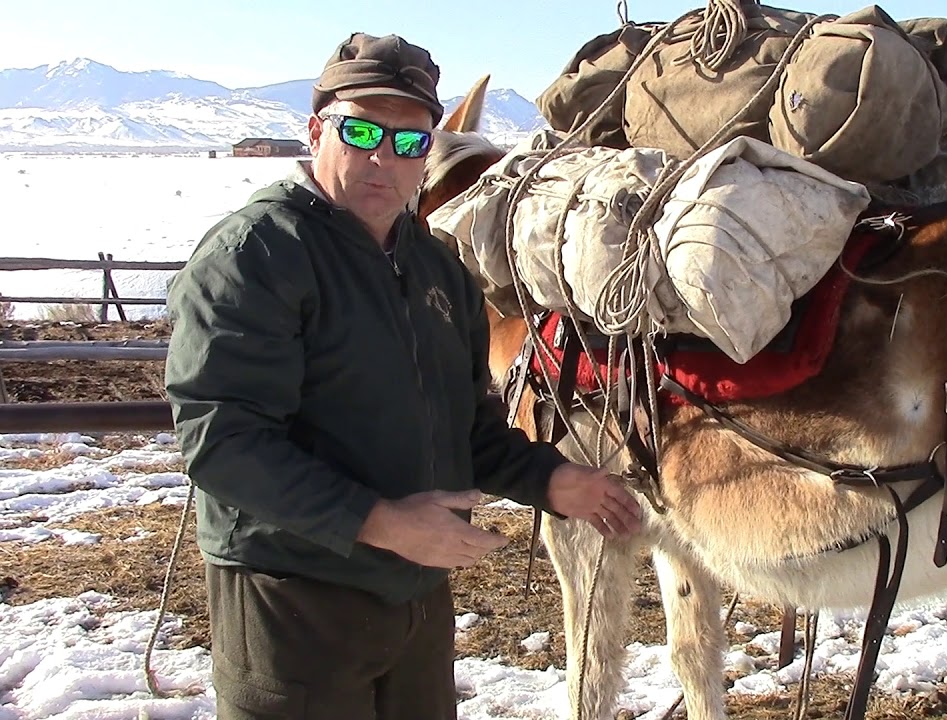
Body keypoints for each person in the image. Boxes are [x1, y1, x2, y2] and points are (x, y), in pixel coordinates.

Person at [164, 31, 644, 720]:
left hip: (414, 597)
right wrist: (381, 522)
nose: (383, 159)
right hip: (294, 598)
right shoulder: (259, 256)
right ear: (315, 130)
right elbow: (223, 442)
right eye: (359, 130)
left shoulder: (436, 267)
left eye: (411, 142)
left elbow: (468, 426)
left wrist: (552, 479)